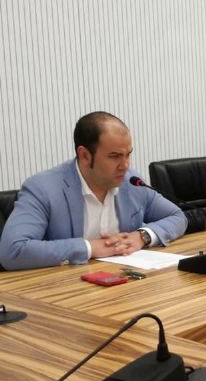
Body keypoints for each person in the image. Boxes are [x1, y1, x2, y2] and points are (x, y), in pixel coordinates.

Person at [0, 111, 187, 271]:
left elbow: (177, 217)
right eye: (114, 156)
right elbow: (12, 251)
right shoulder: (43, 188)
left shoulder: (131, 182)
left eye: (128, 154)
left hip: (125, 283)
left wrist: (142, 236)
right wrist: (89, 248)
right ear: (85, 155)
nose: (125, 165)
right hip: (65, 290)